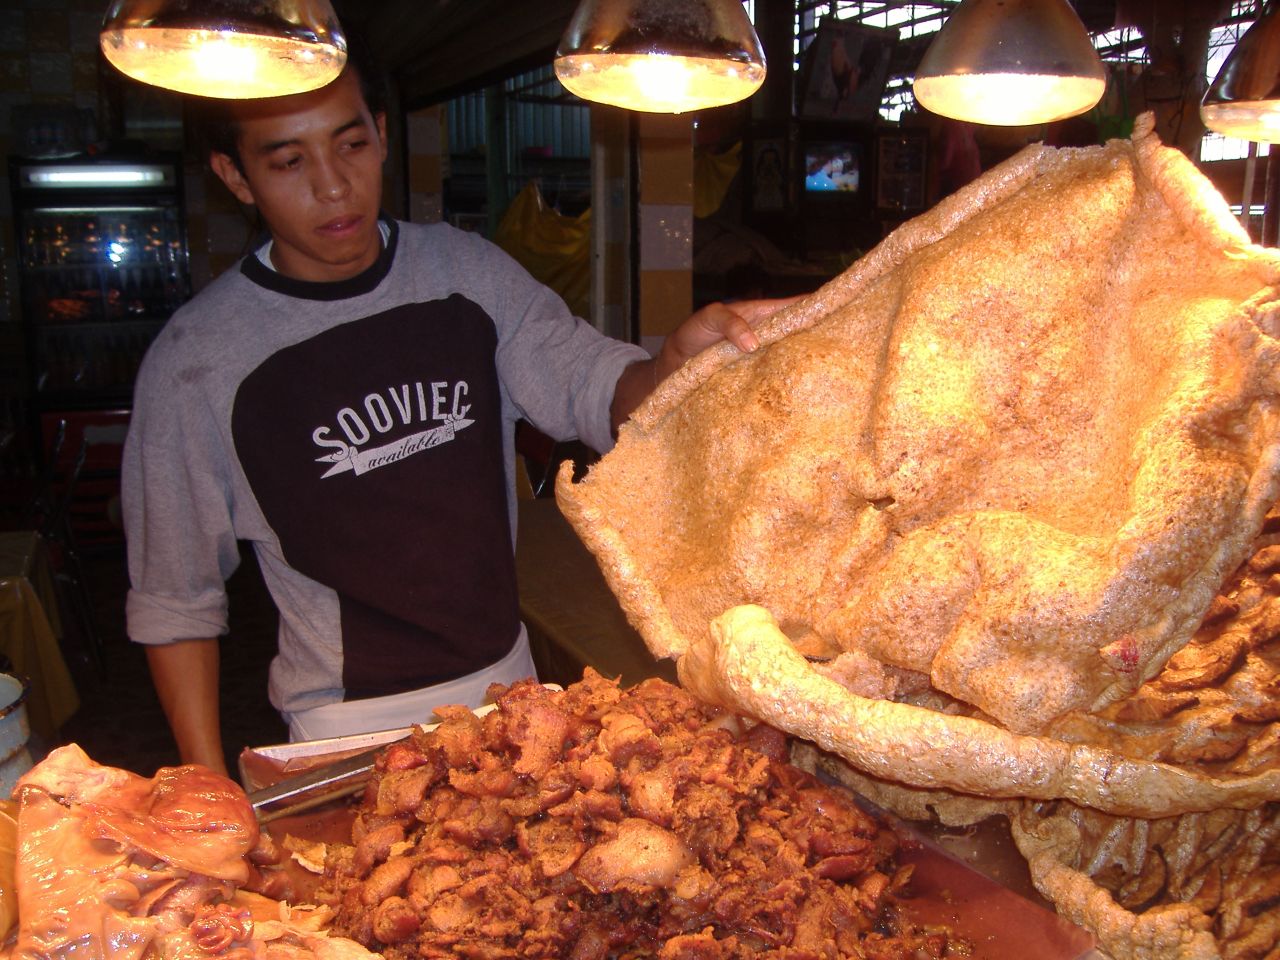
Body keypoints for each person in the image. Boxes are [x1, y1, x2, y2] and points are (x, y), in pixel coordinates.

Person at [122, 49, 785, 776]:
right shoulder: (198, 359)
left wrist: (669, 368)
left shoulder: (467, 276)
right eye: (288, 163)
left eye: (351, 145)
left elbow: (596, 389)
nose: (334, 185)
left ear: (380, 133)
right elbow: (175, 599)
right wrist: (203, 780)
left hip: (508, 689)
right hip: (347, 725)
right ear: (233, 176)